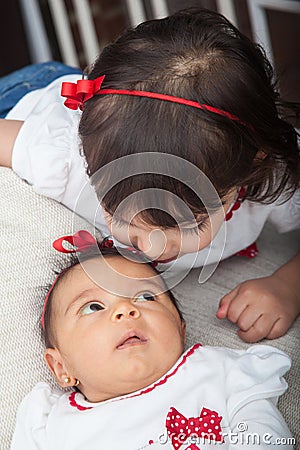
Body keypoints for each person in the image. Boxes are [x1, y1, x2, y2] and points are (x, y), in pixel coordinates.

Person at [0, 8, 299, 343]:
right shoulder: (61, 158)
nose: (148, 245)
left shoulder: (274, 175)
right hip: (25, 97)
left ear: (251, 168)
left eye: (187, 224)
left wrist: (288, 285)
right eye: (116, 212)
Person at [11, 230, 293, 450]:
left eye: (146, 297)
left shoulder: (220, 371)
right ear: (61, 368)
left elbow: (264, 433)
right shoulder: (51, 423)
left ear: (181, 331)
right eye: (93, 307)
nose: (126, 310)